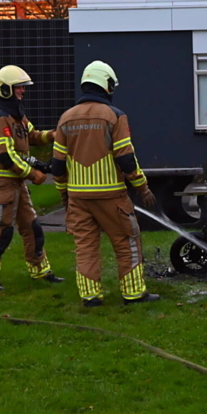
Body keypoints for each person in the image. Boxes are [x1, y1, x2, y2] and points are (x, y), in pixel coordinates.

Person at [50, 60, 160, 307]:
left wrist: (64, 195)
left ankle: (90, 297)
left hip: (78, 198)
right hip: (112, 197)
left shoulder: (66, 118)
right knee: (126, 240)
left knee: (85, 247)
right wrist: (143, 188)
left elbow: (57, 166)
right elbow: (126, 159)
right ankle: (133, 294)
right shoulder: (114, 116)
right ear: (106, 85)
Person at [0, 65, 64, 291]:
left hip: (17, 183)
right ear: (6, 89)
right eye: (19, 88)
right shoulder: (0, 117)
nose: (22, 91)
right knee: (1, 229)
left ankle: (40, 271)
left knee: (32, 227)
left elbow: (32, 135)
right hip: (4, 183)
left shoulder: (16, 115)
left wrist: (54, 135)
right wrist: (33, 173)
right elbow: (5, 155)